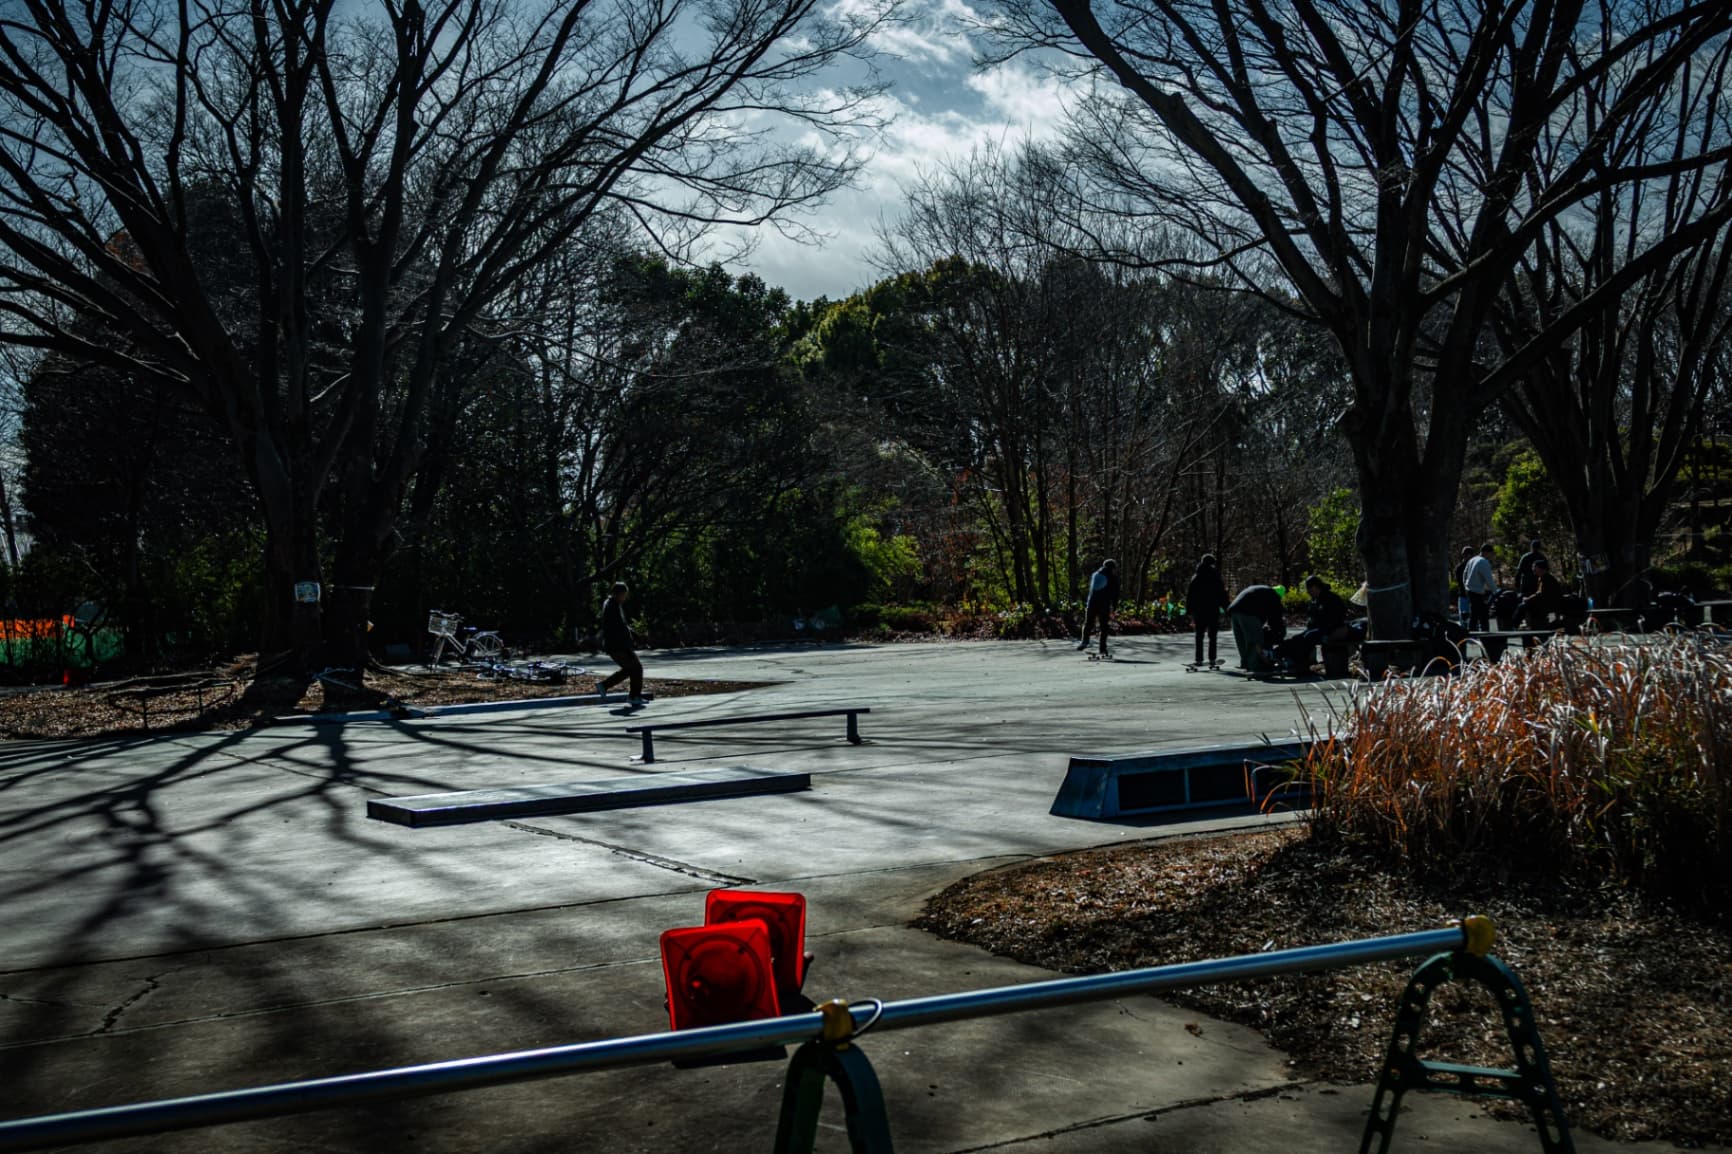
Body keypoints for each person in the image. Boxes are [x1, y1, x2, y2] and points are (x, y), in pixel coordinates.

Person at [1275, 575, 1348, 671]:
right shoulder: (1315, 600)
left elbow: (1334, 617)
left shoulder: (1330, 598)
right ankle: (1281, 654)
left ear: (1314, 587)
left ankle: (1301, 662)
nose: (1308, 592)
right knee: (1297, 638)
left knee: (1309, 636)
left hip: (1331, 627)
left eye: (1309, 589)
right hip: (1319, 627)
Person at [596, 581, 646, 705]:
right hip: (618, 646)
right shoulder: (612, 606)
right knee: (636, 668)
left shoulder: (612, 604)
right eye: (624, 594)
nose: (625, 597)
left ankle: (604, 686)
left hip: (617, 645)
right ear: (618, 594)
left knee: (630, 669)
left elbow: (623, 626)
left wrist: (634, 635)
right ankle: (634, 696)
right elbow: (619, 628)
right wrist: (628, 645)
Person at [1226, 583, 1285, 672]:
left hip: (1234, 611)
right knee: (1256, 639)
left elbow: (1264, 618)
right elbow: (1276, 620)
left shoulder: (1262, 592)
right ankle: (1255, 666)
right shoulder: (1274, 597)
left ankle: (1245, 663)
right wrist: (1280, 635)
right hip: (1247, 612)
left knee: (1242, 641)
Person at [1185, 554, 1229, 666]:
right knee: (1212, 635)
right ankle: (1212, 658)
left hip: (1199, 610)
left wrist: (1189, 610)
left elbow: (1190, 595)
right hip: (1212, 609)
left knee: (1199, 635)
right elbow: (1222, 594)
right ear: (1213, 563)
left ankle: (1198, 659)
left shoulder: (1196, 577)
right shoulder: (1215, 577)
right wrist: (1227, 608)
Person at [1077, 558, 1120, 654]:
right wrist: (1114, 606)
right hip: (1104, 605)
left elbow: (1091, 590)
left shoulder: (1095, 574)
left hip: (1091, 603)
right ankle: (1102, 648)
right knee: (1104, 626)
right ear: (1113, 568)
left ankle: (1085, 641)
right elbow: (1115, 593)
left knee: (1088, 623)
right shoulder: (1113, 577)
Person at [1517, 558, 1565, 629]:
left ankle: (1523, 625)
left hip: (1551, 604)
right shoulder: (1543, 577)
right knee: (1525, 603)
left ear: (1540, 568)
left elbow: (1540, 593)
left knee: (1524, 606)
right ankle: (1528, 624)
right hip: (1547, 602)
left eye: (1534, 567)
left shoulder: (1546, 578)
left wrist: (1528, 599)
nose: (1533, 569)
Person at [1462, 543, 1497, 632]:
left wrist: (1465, 585)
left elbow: (1464, 574)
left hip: (1469, 590)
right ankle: (1485, 635)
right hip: (1477, 591)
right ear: (1487, 553)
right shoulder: (1484, 562)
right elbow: (1489, 579)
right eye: (1491, 554)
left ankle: (1471, 632)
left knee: (1474, 613)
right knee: (1483, 615)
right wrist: (1496, 591)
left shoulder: (1472, 560)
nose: (1492, 556)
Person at [1455, 545, 1476, 622]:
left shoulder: (1472, 566)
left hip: (1470, 595)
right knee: (1464, 618)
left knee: (1472, 618)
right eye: (1466, 555)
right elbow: (1460, 582)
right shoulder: (1460, 567)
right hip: (1464, 595)